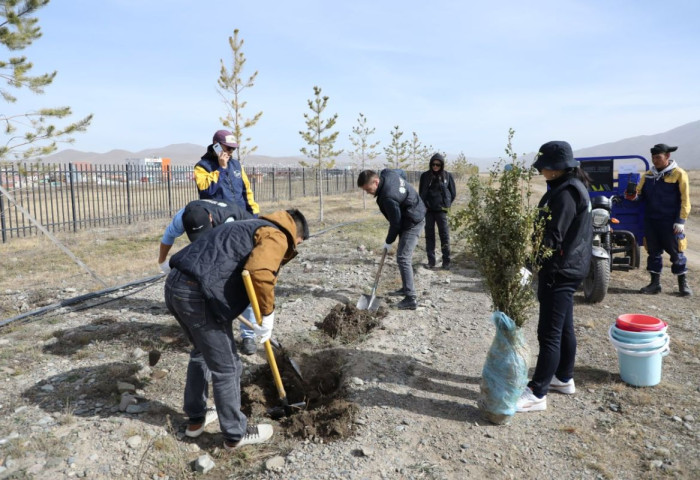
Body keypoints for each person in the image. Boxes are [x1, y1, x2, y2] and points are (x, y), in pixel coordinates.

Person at [164, 209, 309, 450]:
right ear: (298, 236)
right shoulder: (278, 235)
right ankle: (235, 433)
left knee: (201, 351)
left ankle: (196, 419)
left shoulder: (249, 226)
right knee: (228, 366)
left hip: (176, 286)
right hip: (196, 294)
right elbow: (260, 272)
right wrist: (268, 315)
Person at [517, 141, 592, 413]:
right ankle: (563, 377)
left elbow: (551, 239)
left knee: (548, 332)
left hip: (559, 271)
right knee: (564, 327)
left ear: (556, 167)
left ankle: (537, 392)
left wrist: (529, 267)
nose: (541, 170)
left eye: (544, 165)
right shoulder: (570, 187)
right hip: (571, 267)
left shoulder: (564, 194)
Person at [158, 199, 259, 355]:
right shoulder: (183, 217)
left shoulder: (230, 223)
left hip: (248, 242)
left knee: (246, 288)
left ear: (210, 218)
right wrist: (162, 262)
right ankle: (219, 329)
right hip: (219, 238)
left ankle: (248, 335)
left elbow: (230, 257)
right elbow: (168, 236)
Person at [625, 143, 692, 296]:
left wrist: (681, 221)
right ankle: (654, 284)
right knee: (653, 253)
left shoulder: (679, 174)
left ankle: (683, 285)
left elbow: (685, 199)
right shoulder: (648, 175)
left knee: (676, 253)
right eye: (653, 158)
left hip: (671, 222)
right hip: (651, 221)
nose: (655, 160)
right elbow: (639, 196)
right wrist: (632, 196)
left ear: (667, 156)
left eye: (658, 157)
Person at [357, 169, 426, 310]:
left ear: (376, 182)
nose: (367, 193)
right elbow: (401, 173)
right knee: (403, 256)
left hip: (413, 220)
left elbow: (396, 223)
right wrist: (403, 190)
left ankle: (411, 298)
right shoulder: (387, 173)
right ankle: (406, 288)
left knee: (402, 257)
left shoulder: (388, 197)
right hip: (410, 212)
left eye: (368, 189)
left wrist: (388, 242)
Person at [194, 130, 260, 217]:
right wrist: (222, 169)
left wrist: (254, 213)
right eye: (228, 148)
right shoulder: (202, 167)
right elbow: (206, 191)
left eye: (233, 148)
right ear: (216, 145)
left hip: (241, 215)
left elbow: (247, 192)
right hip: (219, 218)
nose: (231, 151)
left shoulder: (237, 165)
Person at [419, 153, 457, 269]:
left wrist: (447, 204)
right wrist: (423, 205)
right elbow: (421, 192)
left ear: (442, 165)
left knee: (444, 235)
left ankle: (446, 261)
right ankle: (431, 261)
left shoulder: (447, 176)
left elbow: (453, 192)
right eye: (433, 164)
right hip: (429, 211)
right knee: (429, 236)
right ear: (430, 164)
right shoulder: (425, 176)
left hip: (442, 211)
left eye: (438, 165)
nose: (435, 166)